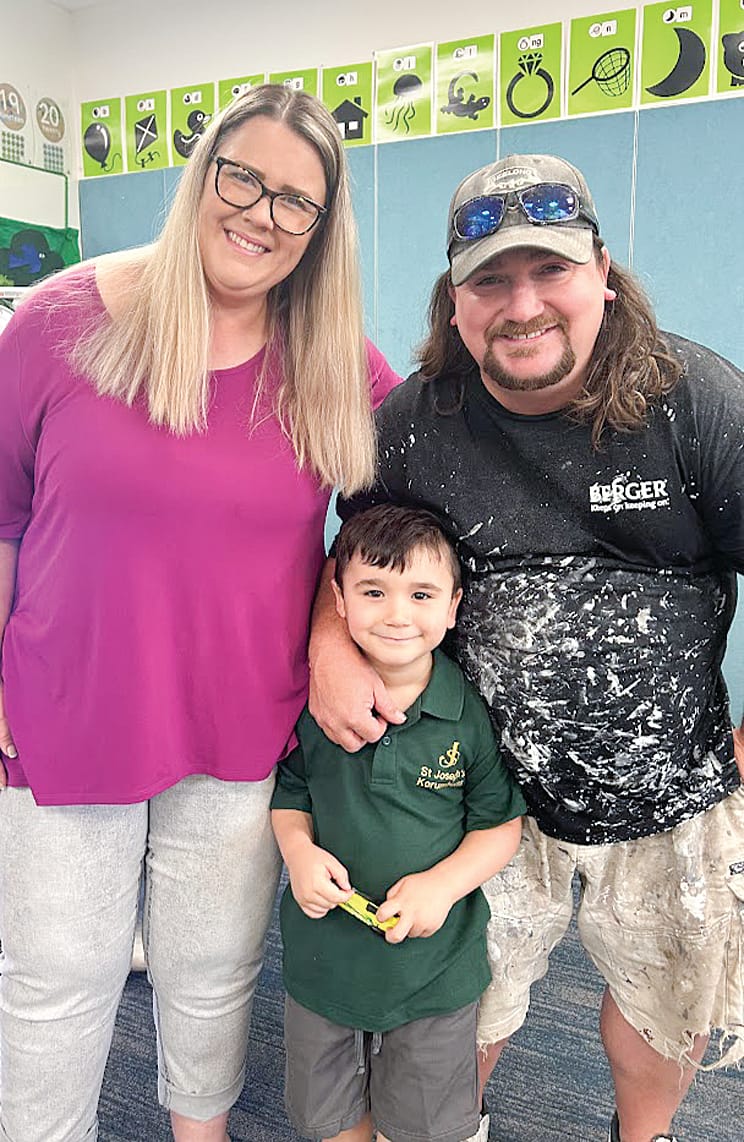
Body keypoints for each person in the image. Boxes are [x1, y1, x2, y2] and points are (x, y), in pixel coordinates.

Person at [308, 154, 744, 1142]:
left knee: (661, 1002)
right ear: (455, 302)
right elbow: (355, 547)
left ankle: (648, 1133)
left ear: (600, 270)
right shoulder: (418, 421)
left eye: (549, 270)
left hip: (671, 790)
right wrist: (329, 644)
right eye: (491, 279)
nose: (523, 303)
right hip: (480, 788)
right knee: (461, 999)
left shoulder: (698, 400)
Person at [0, 84, 400, 1142]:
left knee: (214, 965)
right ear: (203, 174)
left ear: (321, 231)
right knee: (52, 975)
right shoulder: (59, 322)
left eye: (295, 202)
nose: (261, 214)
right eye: (244, 178)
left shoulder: (336, 365)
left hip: (238, 723)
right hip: (61, 707)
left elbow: (380, 541)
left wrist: (327, 640)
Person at [271, 505, 525, 1142]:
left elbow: (498, 827)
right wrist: (298, 852)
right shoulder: (318, 704)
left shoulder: (466, 714)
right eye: (373, 592)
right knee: (326, 1115)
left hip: (433, 971)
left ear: (452, 607)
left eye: (421, 594)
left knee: (420, 1125)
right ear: (340, 598)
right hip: (323, 959)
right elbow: (291, 793)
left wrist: (441, 886)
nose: (396, 614)